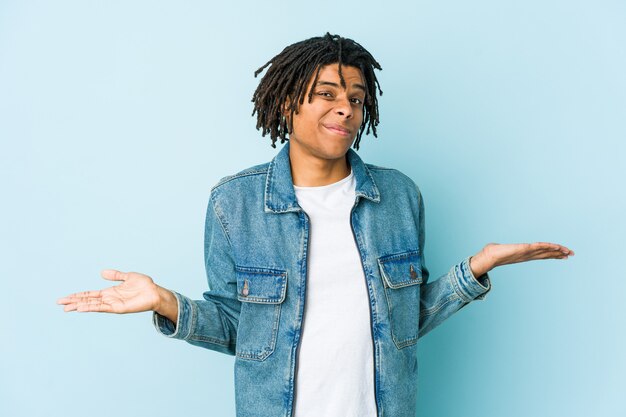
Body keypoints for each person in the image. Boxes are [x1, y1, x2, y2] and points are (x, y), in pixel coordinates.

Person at [58, 33, 574, 417]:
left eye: (354, 96)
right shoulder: (233, 203)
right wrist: (166, 301)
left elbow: (399, 328)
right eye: (326, 93)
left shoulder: (398, 197)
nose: (344, 107)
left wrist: (475, 270)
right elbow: (240, 330)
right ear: (287, 102)